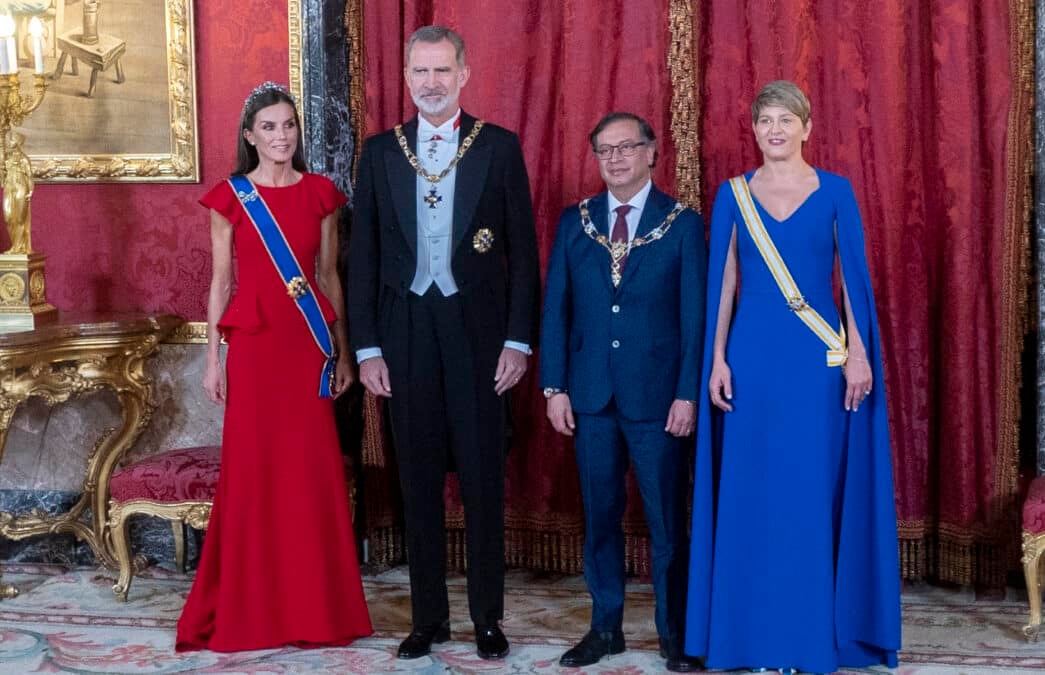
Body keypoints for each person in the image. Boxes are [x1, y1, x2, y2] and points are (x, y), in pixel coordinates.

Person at [684, 80, 900, 673]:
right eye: (764, 121)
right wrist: (717, 358)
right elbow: (723, 281)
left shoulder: (835, 193)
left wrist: (860, 353)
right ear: (753, 130)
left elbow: (852, 280)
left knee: (805, 495)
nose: (774, 130)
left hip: (815, 365)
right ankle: (747, 638)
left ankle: (807, 638)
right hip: (751, 360)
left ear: (808, 127)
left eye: (786, 119)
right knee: (751, 497)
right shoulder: (732, 195)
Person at [348, 25, 539, 661]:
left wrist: (518, 341)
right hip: (404, 333)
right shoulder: (380, 152)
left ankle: (488, 618)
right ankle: (428, 618)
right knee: (418, 480)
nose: (430, 83)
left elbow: (524, 257)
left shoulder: (499, 148)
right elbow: (365, 258)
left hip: (479, 334)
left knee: (484, 478)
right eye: (420, 73)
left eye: (441, 72)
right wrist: (368, 349)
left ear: (464, 75)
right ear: (407, 79)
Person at [176, 82, 373, 652]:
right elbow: (220, 283)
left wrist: (342, 350)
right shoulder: (232, 197)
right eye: (269, 127)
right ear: (249, 136)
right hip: (257, 351)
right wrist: (213, 359)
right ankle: (254, 605)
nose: (281, 135)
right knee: (256, 474)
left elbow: (330, 276)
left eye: (288, 125)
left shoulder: (321, 193)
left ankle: (318, 609)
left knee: (309, 475)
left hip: (308, 348)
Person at [540, 113, 705, 672]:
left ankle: (674, 635)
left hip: (659, 402)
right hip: (590, 398)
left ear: (652, 152)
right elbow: (555, 310)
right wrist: (554, 386)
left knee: (667, 525)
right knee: (600, 516)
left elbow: (694, 320)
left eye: (626, 147)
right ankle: (604, 627)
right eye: (604, 150)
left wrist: (687, 395)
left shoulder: (682, 225)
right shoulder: (575, 222)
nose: (615, 159)